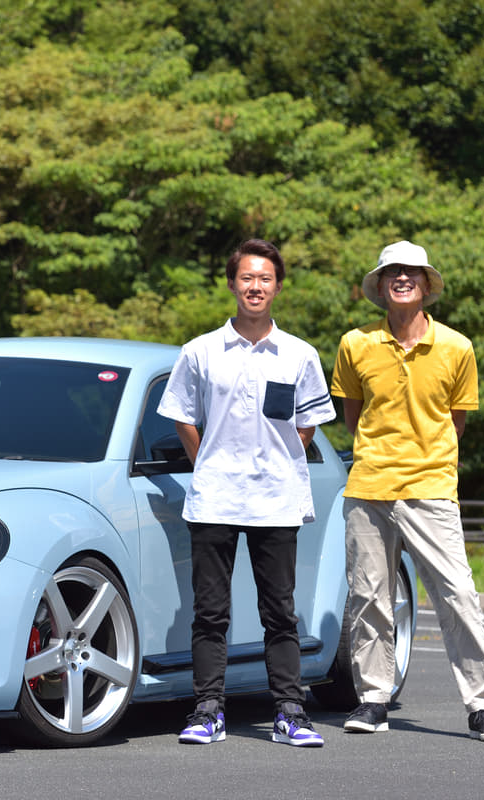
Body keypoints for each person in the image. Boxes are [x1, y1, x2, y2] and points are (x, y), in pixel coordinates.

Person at [330, 240, 484, 742]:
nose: (402, 278)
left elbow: (456, 421)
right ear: (381, 286)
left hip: (431, 486)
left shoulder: (458, 347)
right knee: (369, 598)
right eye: (392, 272)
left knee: (458, 596)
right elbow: (354, 416)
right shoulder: (355, 343)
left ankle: (483, 706)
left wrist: (423, 456)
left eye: (412, 272)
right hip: (369, 486)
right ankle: (373, 700)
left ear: (427, 285)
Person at [158, 238, 336, 747]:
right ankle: (208, 709)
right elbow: (181, 417)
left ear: (277, 286)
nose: (255, 287)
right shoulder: (200, 351)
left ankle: (289, 711)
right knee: (210, 612)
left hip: (277, 497)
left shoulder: (300, 354)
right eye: (246, 278)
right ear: (232, 283)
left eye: (265, 278)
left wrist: (271, 462)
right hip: (214, 496)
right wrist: (208, 464)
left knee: (279, 610)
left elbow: (306, 428)